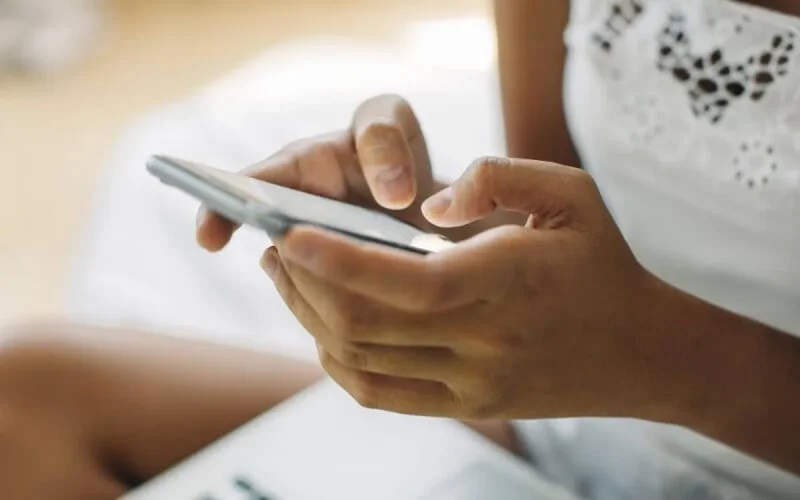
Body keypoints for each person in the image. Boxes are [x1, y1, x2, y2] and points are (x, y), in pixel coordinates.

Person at [1, 0, 798, 498]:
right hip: (570, 431)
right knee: (21, 400)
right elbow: (552, 230)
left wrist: (659, 358)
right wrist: (407, 214)